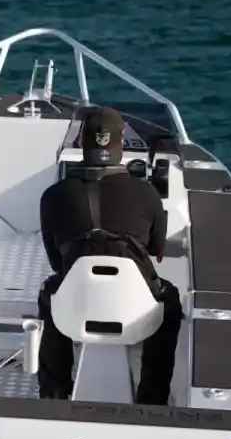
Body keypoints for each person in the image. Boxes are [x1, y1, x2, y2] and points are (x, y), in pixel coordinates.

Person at [37, 106, 183, 405]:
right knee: (170, 300)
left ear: (81, 142)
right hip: (135, 306)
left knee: (50, 294)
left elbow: (55, 261)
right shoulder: (147, 194)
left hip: (76, 307)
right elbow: (157, 251)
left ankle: (54, 394)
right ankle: (152, 398)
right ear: (121, 143)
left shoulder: (54, 196)